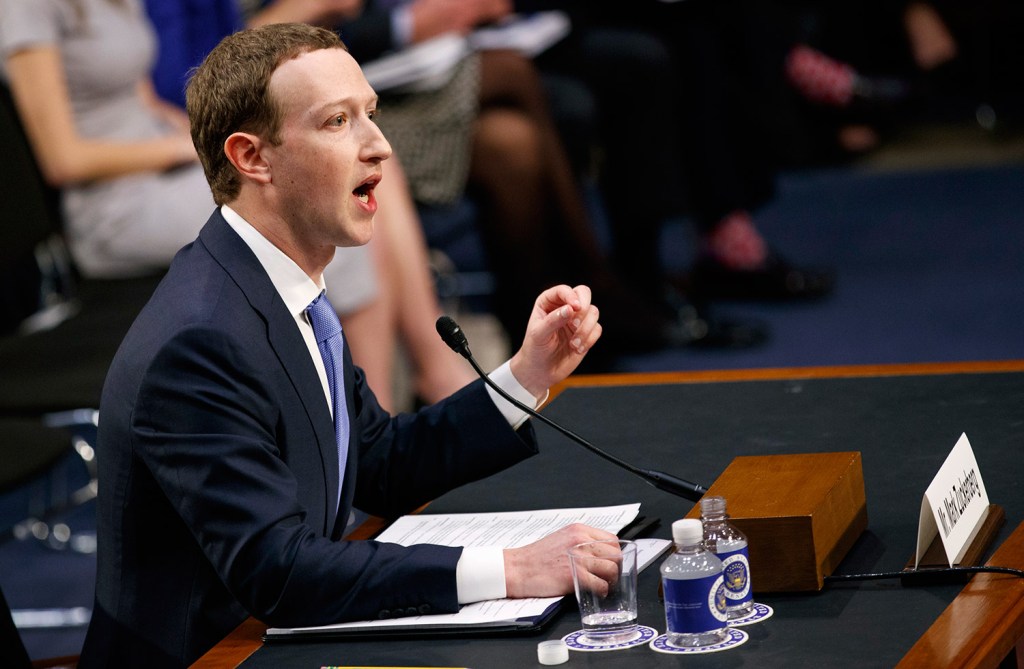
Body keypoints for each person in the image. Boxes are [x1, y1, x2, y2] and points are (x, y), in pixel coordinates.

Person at [77, 22, 613, 667]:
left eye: (371, 114)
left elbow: (380, 463)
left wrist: (524, 376)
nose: (380, 146)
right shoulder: (200, 342)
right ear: (253, 158)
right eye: (337, 122)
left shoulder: (278, 286)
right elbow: (277, 572)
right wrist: (513, 570)